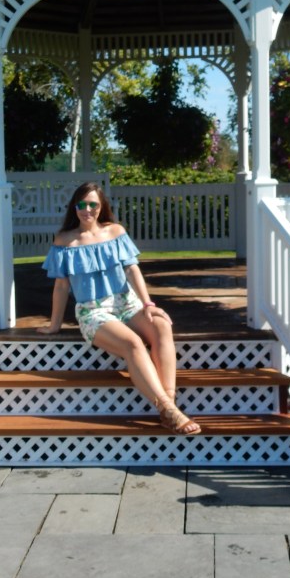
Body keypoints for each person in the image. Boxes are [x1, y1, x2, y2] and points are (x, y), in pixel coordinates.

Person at [37, 181, 201, 435]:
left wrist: (148, 304)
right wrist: (54, 325)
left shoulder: (115, 231)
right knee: (133, 344)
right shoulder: (65, 240)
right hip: (94, 311)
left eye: (93, 204)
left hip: (127, 303)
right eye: (82, 204)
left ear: (102, 207)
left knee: (161, 326)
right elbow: (61, 287)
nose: (87, 210)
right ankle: (168, 408)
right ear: (74, 207)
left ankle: (168, 406)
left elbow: (132, 269)